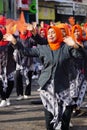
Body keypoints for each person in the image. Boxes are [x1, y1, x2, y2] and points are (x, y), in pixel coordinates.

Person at [4, 24, 87, 130]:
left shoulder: (66, 48)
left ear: (58, 34)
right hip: (48, 89)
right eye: (49, 33)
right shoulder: (43, 48)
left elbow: (82, 56)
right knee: (49, 121)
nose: (50, 35)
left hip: (65, 88)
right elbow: (25, 52)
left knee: (64, 121)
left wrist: (74, 45)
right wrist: (14, 41)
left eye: (53, 33)